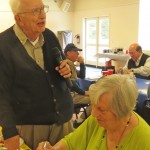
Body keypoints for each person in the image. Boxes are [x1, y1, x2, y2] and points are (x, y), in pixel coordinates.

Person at [0, 0, 74, 150]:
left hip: (63, 121)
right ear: (18, 18)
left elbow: (59, 70)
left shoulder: (50, 36)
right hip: (31, 126)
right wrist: (9, 131)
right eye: (35, 11)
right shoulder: (3, 45)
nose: (42, 15)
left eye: (43, 9)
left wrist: (67, 71)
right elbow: (2, 94)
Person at [37, 74, 150, 150]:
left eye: (101, 109)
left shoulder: (144, 141)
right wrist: (53, 149)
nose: (93, 113)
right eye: (94, 106)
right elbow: (71, 143)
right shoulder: (96, 121)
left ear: (122, 110)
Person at [64, 43, 92, 128]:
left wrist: (82, 64)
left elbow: (81, 76)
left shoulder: (69, 63)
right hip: (70, 95)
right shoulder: (67, 63)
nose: (78, 54)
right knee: (96, 100)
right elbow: (72, 84)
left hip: (73, 94)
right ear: (68, 53)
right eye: (75, 51)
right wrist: (83, 92)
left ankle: (79, 120)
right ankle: (80, 121)